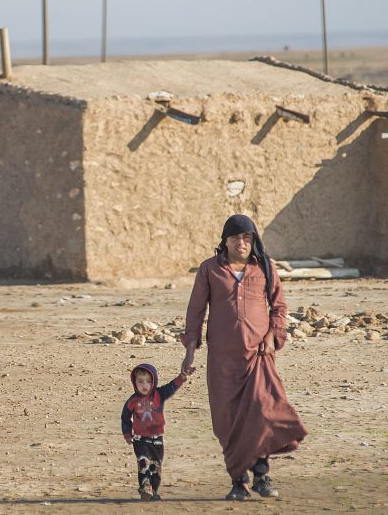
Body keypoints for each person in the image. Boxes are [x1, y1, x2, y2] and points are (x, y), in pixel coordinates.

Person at [181, 214, 307, 501]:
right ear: (225, 240)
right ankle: (238, 481)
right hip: (222, 362)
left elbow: (279, 305)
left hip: (258, 358)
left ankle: (262, 475)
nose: (241, 242)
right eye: (236, 237)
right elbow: (195, 312)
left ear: (253, 242)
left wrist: (272, 336)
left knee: (262, 415)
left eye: (247, 238)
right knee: (228, 421)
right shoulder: (209, 270)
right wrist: (190, 352)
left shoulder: (264, 267)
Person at [120, 363, 189, 500]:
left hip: (157, 438)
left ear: (154, 381)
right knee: (143, 462)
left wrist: (182, 376)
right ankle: (144, 487)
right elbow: (125, 418)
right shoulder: (132, 401)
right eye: (140, 381)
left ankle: (154, 491)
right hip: (140, 439)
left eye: (148, 381)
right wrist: (128, 434)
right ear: (134, 382)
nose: (144, 385)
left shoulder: (159, 394)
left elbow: (172, 386)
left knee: (156, 466)